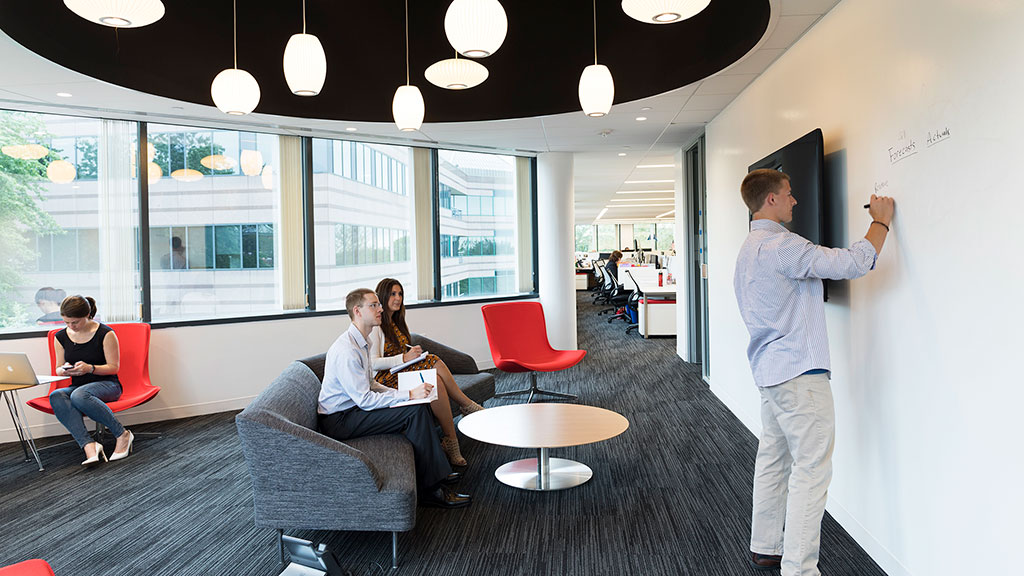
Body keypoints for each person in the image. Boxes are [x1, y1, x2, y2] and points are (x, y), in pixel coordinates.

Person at [733, 169, 894, 575]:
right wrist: (880, 222)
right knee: (811, 469)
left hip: (770, 374)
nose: (795, 200)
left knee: (774, 457)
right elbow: (853, 263)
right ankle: (799, 569)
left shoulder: (748, 249)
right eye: (788, 194)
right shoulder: (782, 246)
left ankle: (766, 546)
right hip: (799, 376)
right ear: (770, 200)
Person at [317, 288, 472, 508]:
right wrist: (407, 395)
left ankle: (436, 473)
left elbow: (371, 384)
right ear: (357, 311)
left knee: (418, 405)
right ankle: (433, 488)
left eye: (379, 304)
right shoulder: (347, 351)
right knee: (414, 411)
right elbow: (365, 400)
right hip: (340, 420)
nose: (380, 309)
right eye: (374, 305)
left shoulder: (362, 341)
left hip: (353, 409)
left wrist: (405, 396)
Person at [371, 278, 485, 467]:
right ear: (382, 296)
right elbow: (374, 364)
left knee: (436, 381)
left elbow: (402, 355)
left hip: (400, 373)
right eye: (392, 294)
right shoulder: (377, 326)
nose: (397, 298)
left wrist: (412, 355)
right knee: (433, 361)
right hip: (385, 380)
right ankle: (466, 404)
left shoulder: (396, 323)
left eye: (400, 294)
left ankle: (451, 442)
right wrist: (404, 358)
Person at [50, 295, 134, 466]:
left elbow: (113, 367)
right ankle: (89, 445)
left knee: (79, 395)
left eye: (75, 322)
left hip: (108, 385)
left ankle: (122, 434)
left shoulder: (106, 333)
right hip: (79, 387)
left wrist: (90, 368)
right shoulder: (60, 337)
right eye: (67, 322)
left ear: (87, 315)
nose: (71, 327)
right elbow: (58, 368)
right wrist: (66, 369)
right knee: (57, 395)